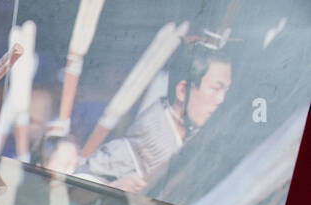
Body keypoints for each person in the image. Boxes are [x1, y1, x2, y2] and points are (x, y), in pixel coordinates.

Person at [77, 43, 232, 193]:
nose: (221, 99)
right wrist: (112, 189)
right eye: (216, 89)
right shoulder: (133, 152)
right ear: (183, 91)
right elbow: (73, 189)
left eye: (225, 91)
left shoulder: (204, 149)